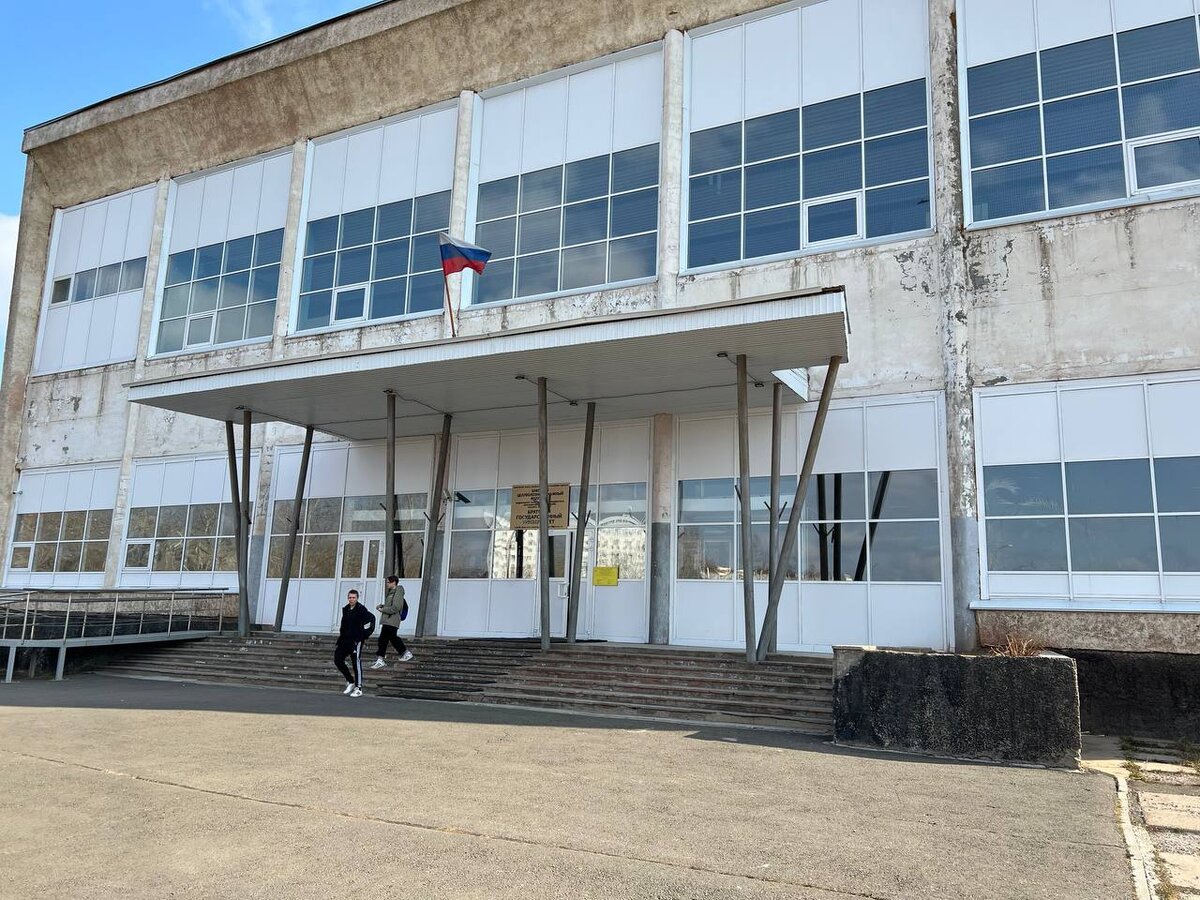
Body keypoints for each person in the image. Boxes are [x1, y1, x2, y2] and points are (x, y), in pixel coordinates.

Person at [333, 588, 375, 697]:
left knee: (356, 662)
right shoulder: (346, 609)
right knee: (337, 659)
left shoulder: (361, 609)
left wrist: (363, 635)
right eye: (350, 597)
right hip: (344, 640)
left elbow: (372, 619)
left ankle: (358, 688)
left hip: (356, 640)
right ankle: (350, 681)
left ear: (357, 598)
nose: (351, 599)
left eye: (353, 598)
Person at [372, 575, 414, 668]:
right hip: (388, 620)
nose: (387, 584)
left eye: (388, 582)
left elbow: (396, 607)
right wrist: (382, 606)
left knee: (390, 638)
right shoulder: (391, 592)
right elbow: (391, 605)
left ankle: (405, 653)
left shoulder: (398, 592)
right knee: (384, 639)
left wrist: (383, 610)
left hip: (392, 620)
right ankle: (380, 659)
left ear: (393, 582)